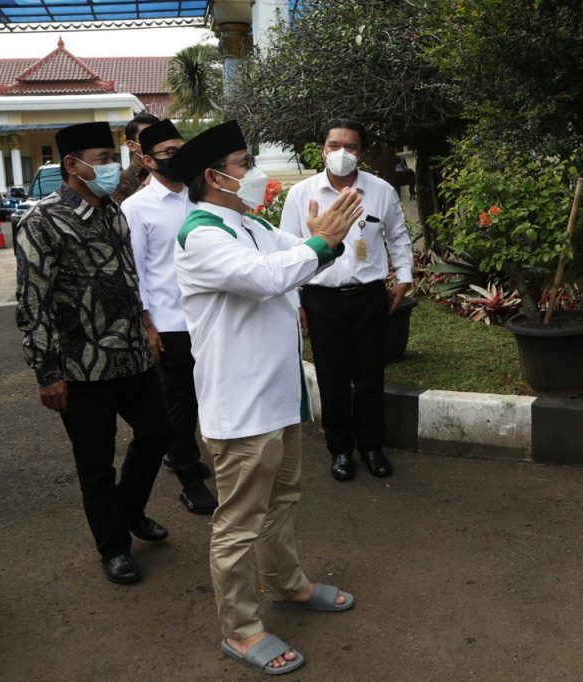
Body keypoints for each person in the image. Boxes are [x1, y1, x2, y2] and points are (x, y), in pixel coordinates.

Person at [169, 120, 362, 675]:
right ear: (212, 176)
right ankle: (242, 627)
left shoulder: (249, 224)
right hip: (242, 406)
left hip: (278, 396)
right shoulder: (202, 234)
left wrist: (325, 239)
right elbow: (265, 278)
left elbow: (299, 254)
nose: (252, 173)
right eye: (242, 164)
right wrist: (322, 241)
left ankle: (288, 585)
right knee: (239, 522)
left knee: (282, 502)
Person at [15, 121, 172, 585]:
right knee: (95, 461)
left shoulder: (114, 213)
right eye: (101, 159)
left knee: (158, 433)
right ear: (72, 165)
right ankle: (115, 547)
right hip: (80, 366)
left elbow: (128, 277)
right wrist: (47, 373)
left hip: (131, 356)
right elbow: (32, 302)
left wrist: (146, 325)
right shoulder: (41, 222)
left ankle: (129, 510)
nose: (111, 167)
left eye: (110, 157)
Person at [280, 119, 413, 482]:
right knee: (331, 376)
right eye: (334, 144)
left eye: (351, 146)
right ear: (322, 149)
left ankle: (371, 446)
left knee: (370, 374)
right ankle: (340, 449)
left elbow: (398, 236)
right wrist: (297, 303)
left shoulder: (380, 190)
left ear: (361, 152)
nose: (342, 153)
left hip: (368, 297)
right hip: (321, 298)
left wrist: (404, 277)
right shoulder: (302, 194)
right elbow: (288, 251)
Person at [121, 118, 217, 515]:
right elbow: (135, 272)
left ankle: (190, 456)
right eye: (169, 153)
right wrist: (147, 326)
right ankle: (188, 478)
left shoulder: (200, 198)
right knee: (178, 404)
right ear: (146, 159)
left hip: (208, 318)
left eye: (182, 149)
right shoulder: (136, 207)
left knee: (205, 396)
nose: (180, 158)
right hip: (169, 322)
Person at [113, 112, 159, 204]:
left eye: (158, 137)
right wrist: (147, 184)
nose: (155, 142)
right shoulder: (119, 182)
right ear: (131, 145)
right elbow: (122, 215)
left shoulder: (171, 171)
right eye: (148, 137)